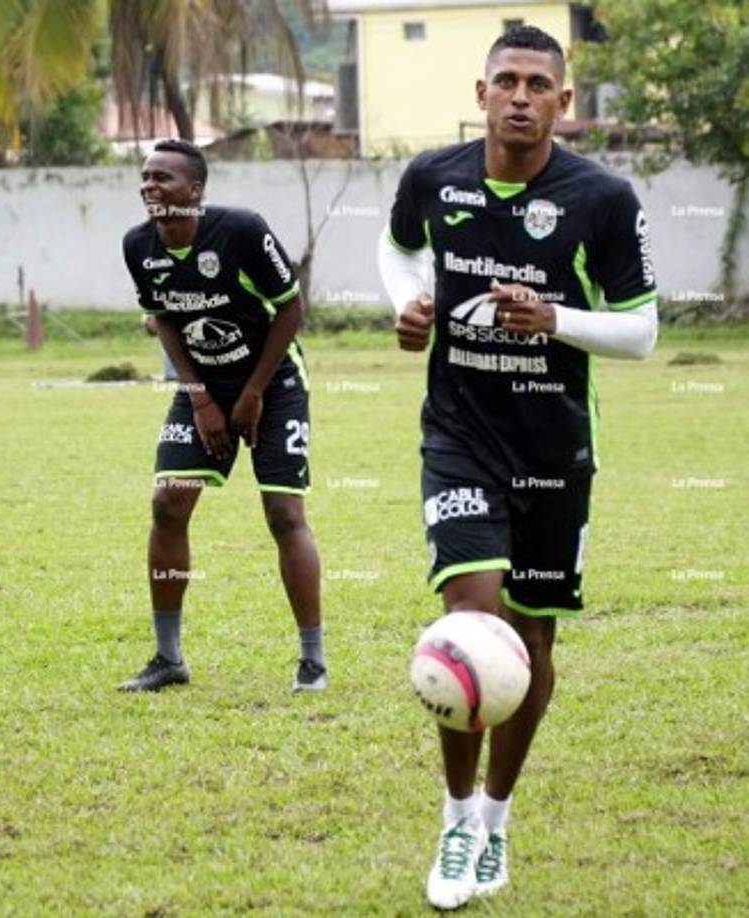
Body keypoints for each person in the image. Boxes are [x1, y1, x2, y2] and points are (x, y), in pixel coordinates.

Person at [378, 25, 657, 910]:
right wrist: (408, 301)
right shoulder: (433, 176)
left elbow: (642, 329)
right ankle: (455, 821)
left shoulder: (602, 198)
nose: (522, 96)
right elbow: (396, 249)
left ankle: (496, 820)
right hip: (457, 431)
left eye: (540, 83)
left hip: (553, 446)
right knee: (470, 619)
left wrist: (556, 321)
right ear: (481, 90)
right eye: (507, 80)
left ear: (563, 102)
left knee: (531, 646)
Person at [119, 138, 326, 694]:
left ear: (195, 191)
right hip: (203, 386)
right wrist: (201, 397)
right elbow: (162, 318)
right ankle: (167, 658)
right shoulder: (138, 246)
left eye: (163, 178)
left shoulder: (239, 230)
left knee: (284, 513)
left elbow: (291, 308)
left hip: (273, 382)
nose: (150, 187)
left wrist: (253, 392)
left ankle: (313, 661)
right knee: (168, 503)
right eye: (145, 177)